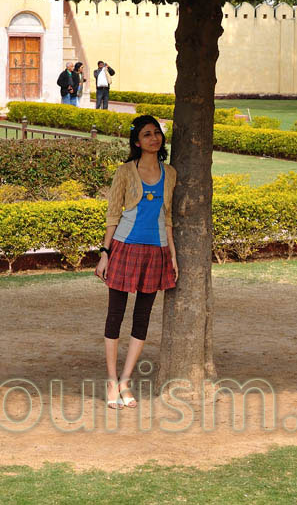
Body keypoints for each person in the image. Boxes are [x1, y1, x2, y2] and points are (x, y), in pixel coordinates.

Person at [94, 115, 179, 409]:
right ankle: (110, 380)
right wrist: (104, 254)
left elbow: (168, 218)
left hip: (156, 251)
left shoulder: (171, 173)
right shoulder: (125, 172)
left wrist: (173, 256)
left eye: (157, 133)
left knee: (142, 319)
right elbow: (113, 216)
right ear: (136, 141)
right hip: (124, 249)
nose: (154, 138)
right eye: (147, 134)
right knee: (115, 316)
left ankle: (126, 381)